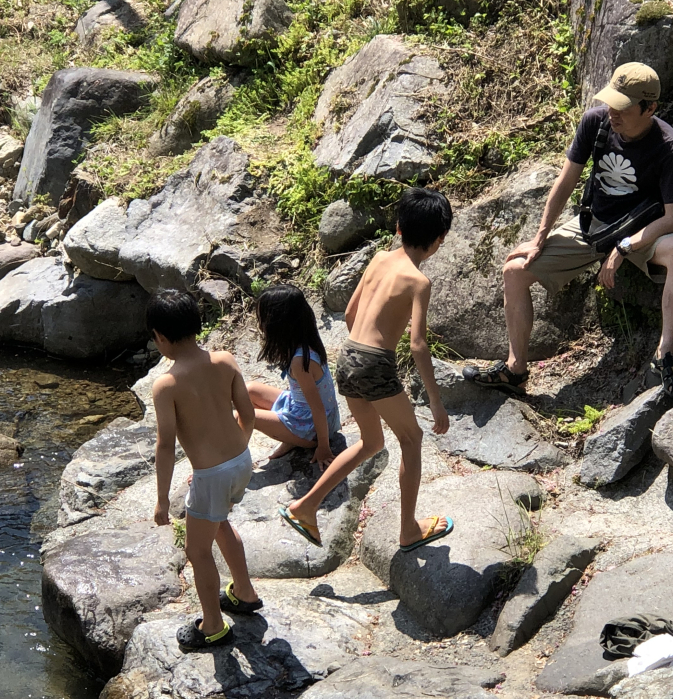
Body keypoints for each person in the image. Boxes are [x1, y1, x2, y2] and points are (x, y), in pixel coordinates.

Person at [462, 62, 673, 403]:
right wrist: (540, 237)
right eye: (611, 102)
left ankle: (665, 356)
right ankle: (515, 371)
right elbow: (566, 180)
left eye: (623, 107)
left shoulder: (667, 147)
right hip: (593, 226)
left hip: (640, 232)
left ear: (649, 109)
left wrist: (625, 247)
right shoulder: (596, 122)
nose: (613, 112)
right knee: (514, 270)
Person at [281, 187, 454, 552]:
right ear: (439, 240)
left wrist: (360, 356)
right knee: (412, 439)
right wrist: (436, 403)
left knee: (371, 442)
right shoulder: (418, 281)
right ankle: (408, 529)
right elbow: (418, 345)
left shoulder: (378, 258)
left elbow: (349, 314)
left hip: (347, 356)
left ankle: (305, 506)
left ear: (399, 228)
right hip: (374, 362)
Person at [148, 289, 263, 651]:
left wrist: (162, 501)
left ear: (161, 337)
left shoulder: (166, 385)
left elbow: (166, 445)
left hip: (212, 476)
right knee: (220, 522)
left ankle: (212, 625)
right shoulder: (226, 361)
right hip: (241, 462)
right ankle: (244, 592)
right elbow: (248, 415)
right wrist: (235, 453)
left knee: (198, 553)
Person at [246, 284, 342, 469]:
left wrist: (323, 447)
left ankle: (232, 465)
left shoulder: (300, 362)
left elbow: (318, 409)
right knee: (249, 390)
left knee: (241, 416)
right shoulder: (305, 342)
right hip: (301, 410)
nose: (260, 324)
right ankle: (290, 438)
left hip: (312, 427)